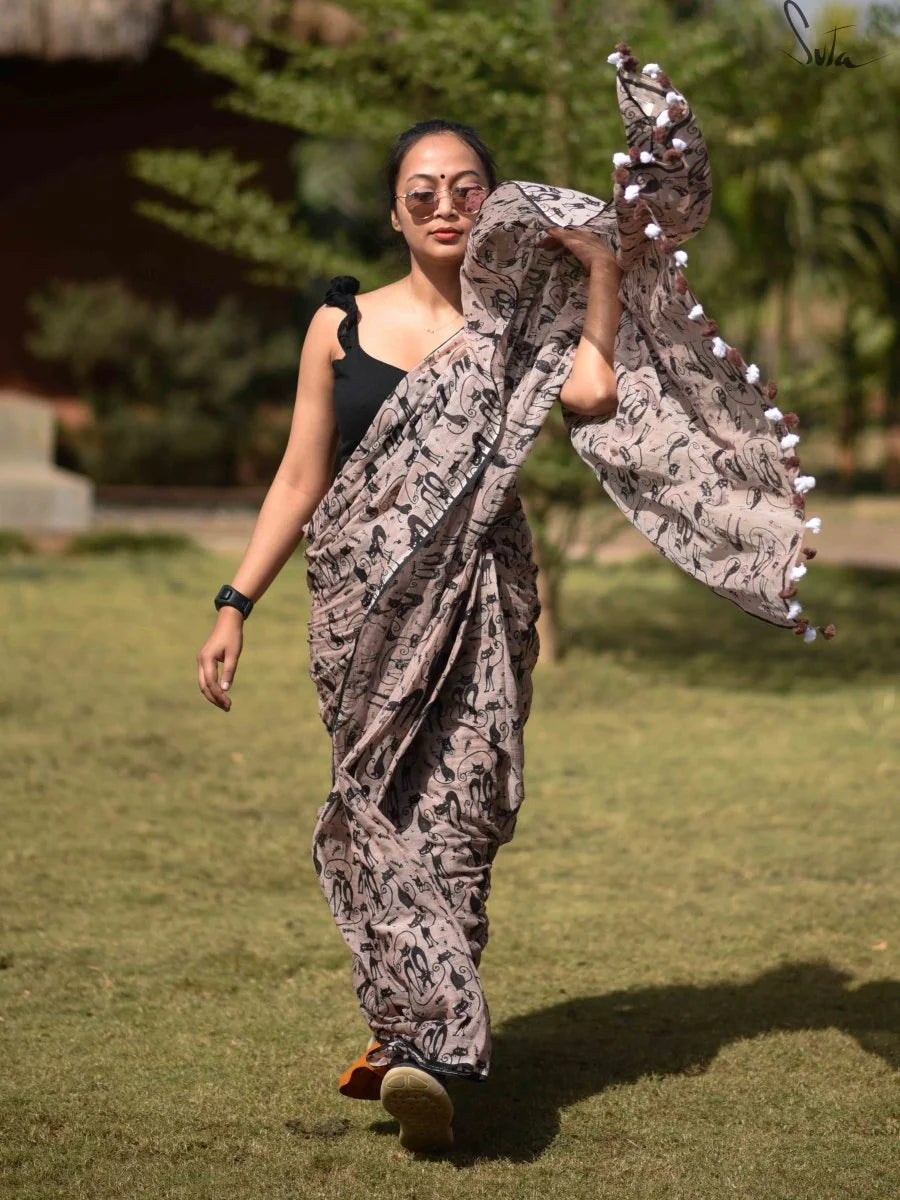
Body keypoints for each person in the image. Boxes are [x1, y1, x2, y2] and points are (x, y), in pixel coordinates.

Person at [198, 43, 835, 1155]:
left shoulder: (521, 326)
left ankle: (419, 1042)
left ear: (491, 207)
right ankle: (423, 1040)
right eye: (422, 196)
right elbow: (300, 477)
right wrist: (232, 603)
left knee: (469, 803)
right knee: (378, 801)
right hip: (364, 606)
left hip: (486, 592)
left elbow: (593, 394)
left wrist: (597, 271)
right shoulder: (336, 326)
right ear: (397, 216)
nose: (446, 208)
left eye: (465, 191)